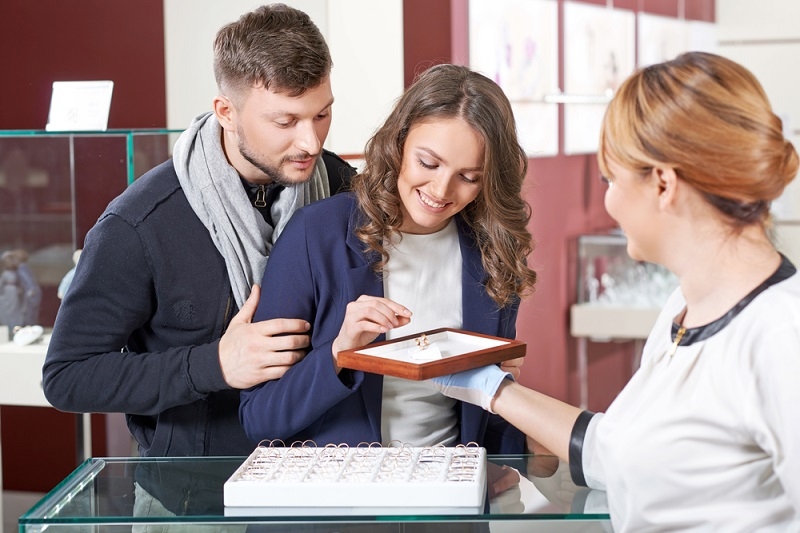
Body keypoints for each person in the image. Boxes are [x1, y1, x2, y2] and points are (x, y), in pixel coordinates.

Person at [431, 52, 800, 531]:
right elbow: (618, 451)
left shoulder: (780, 336)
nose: (608, 200)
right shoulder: (684, 308)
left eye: (612, 180)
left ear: (663, 184)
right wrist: (490, 388)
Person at [42, 3, 356, 458]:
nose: (310, 141)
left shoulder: (345, 192)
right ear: (226, 111)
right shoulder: (139, 223)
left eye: (321, 115)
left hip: (322, 476)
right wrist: (215, 365)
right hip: (190, 499)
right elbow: (67, 376)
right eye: (285, 122)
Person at [239, 64, 537, 454]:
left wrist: (511, 415)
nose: (440, 190)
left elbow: (480, 427)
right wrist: (339, 352)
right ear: (398, 144)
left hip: (451, 495)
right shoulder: (317, 234)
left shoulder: (492, 255)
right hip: (341, 502)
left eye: (469, 177)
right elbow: (259, 419)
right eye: (428, 163)